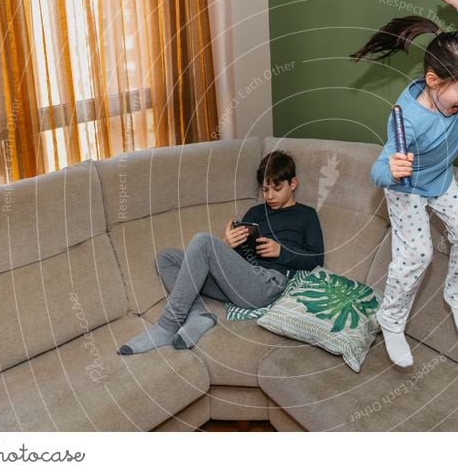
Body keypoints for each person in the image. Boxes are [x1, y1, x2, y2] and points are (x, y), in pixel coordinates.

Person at [350, 0, 458, 367]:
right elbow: (379, 168)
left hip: (441, 177)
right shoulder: (408, 120)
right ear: (434, 82)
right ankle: (392, 320)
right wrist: (391, 170)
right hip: (408, 187)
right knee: (417, 255)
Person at [118, 150, 325, 354]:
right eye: (265, 189)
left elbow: (317, 258)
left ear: (293, 184)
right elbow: (237, 260)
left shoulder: (306, 215)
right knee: (166, 258)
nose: (269, 196)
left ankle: (166, 326)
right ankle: (199, 315)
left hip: (267, 284)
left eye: (277, 189)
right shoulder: (255, 212)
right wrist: (228, 244)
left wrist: (282, 251)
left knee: (202, 241)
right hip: (238, 282)